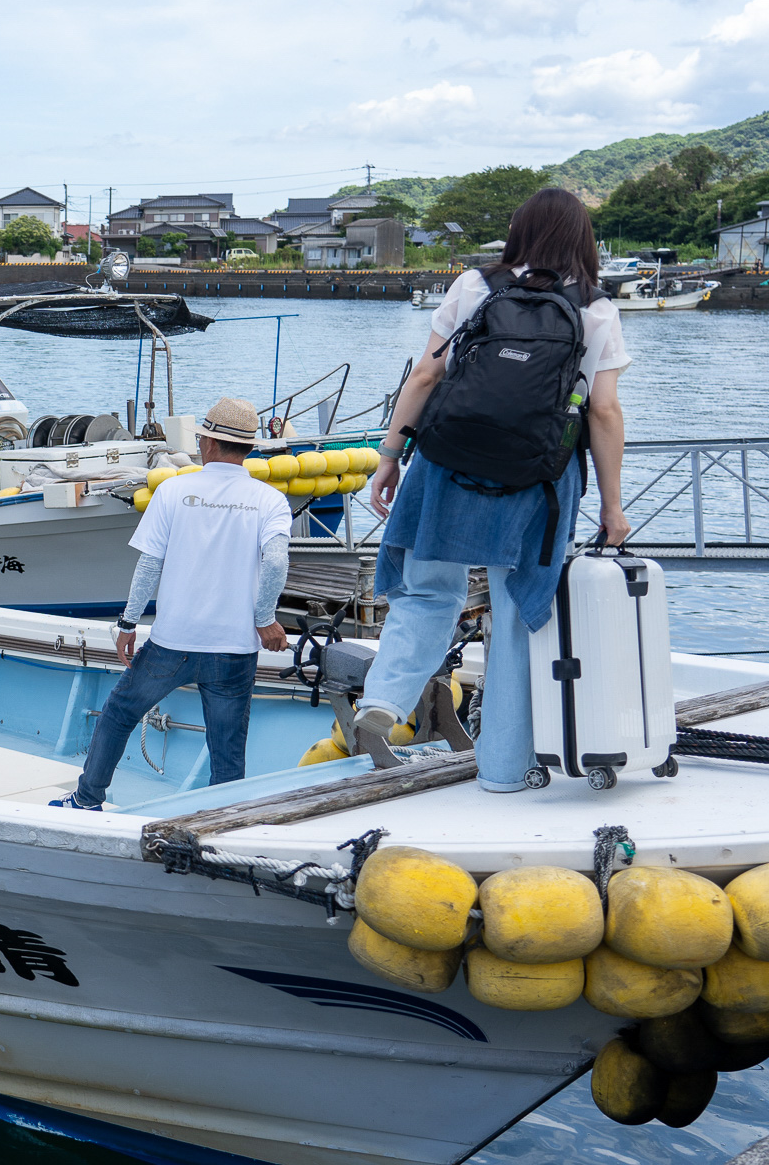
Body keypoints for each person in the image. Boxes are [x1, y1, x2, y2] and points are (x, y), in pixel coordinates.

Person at [358, 187, 628, 791]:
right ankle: (503, 773)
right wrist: (612, 505)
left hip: (447, 463)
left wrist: (389, 456)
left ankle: (384, 700)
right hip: (537, 480)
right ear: (583, 239)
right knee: (513, 617)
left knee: (428, 592)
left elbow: (427, 374)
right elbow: (604, 412)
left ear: (518, 231)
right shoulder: (595, 307)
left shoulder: (475, 286)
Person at [52, 397, 293, 808]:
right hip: (234, 649)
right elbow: (276, 560)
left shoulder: (174, 490)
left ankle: (87, 799)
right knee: (227, 751)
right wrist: (264, 618)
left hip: (172, 644)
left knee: (119, 713)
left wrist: (128, 624)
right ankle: (224, 821)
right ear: (248, 448)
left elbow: (149, 565)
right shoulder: (268, 499)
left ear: (209, 444)